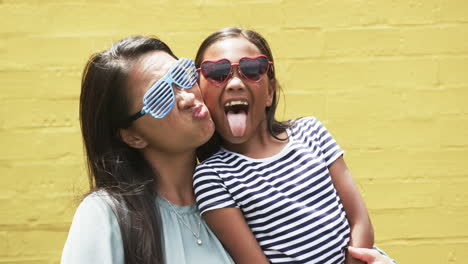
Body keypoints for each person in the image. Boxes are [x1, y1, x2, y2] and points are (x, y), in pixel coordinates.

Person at [193, 27, 376, 264]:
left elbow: (360, 221)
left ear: (269, 92)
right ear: (201, 96)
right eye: (217, 72)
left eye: (252, 69)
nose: (235, 83)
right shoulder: (212, 177)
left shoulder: (311, 133)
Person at [61, 36, 234, 264]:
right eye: (161, 96)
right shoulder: (106, 215)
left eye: (182, 76)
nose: (188, 97)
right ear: (133, 137)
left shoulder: (235, 192)